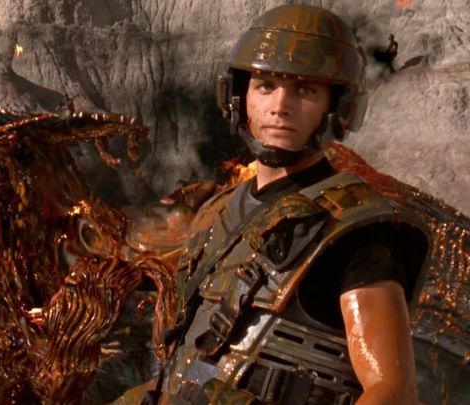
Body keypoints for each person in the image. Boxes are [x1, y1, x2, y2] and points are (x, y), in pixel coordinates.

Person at [125, 5, 431, 405]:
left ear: (337, 107)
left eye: (306, 90)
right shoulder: (221, 211)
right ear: (239, 97)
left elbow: (393, 391)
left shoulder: (357, 231)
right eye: (266, 86)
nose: (280, 106)